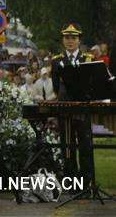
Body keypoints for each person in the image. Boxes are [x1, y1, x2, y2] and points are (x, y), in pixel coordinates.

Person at [50, 22, 95, 187]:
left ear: (79, 41)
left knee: (85, 146)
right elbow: (56, 86)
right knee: (67, 147)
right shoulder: (56, 61)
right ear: (63, 40)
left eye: (73, 38)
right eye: (67, 38)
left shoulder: (88, 59)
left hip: (82, 108)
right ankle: (71, 184)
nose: (70, 41)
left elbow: (92, 84)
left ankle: (85, 183)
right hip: (65, 109)